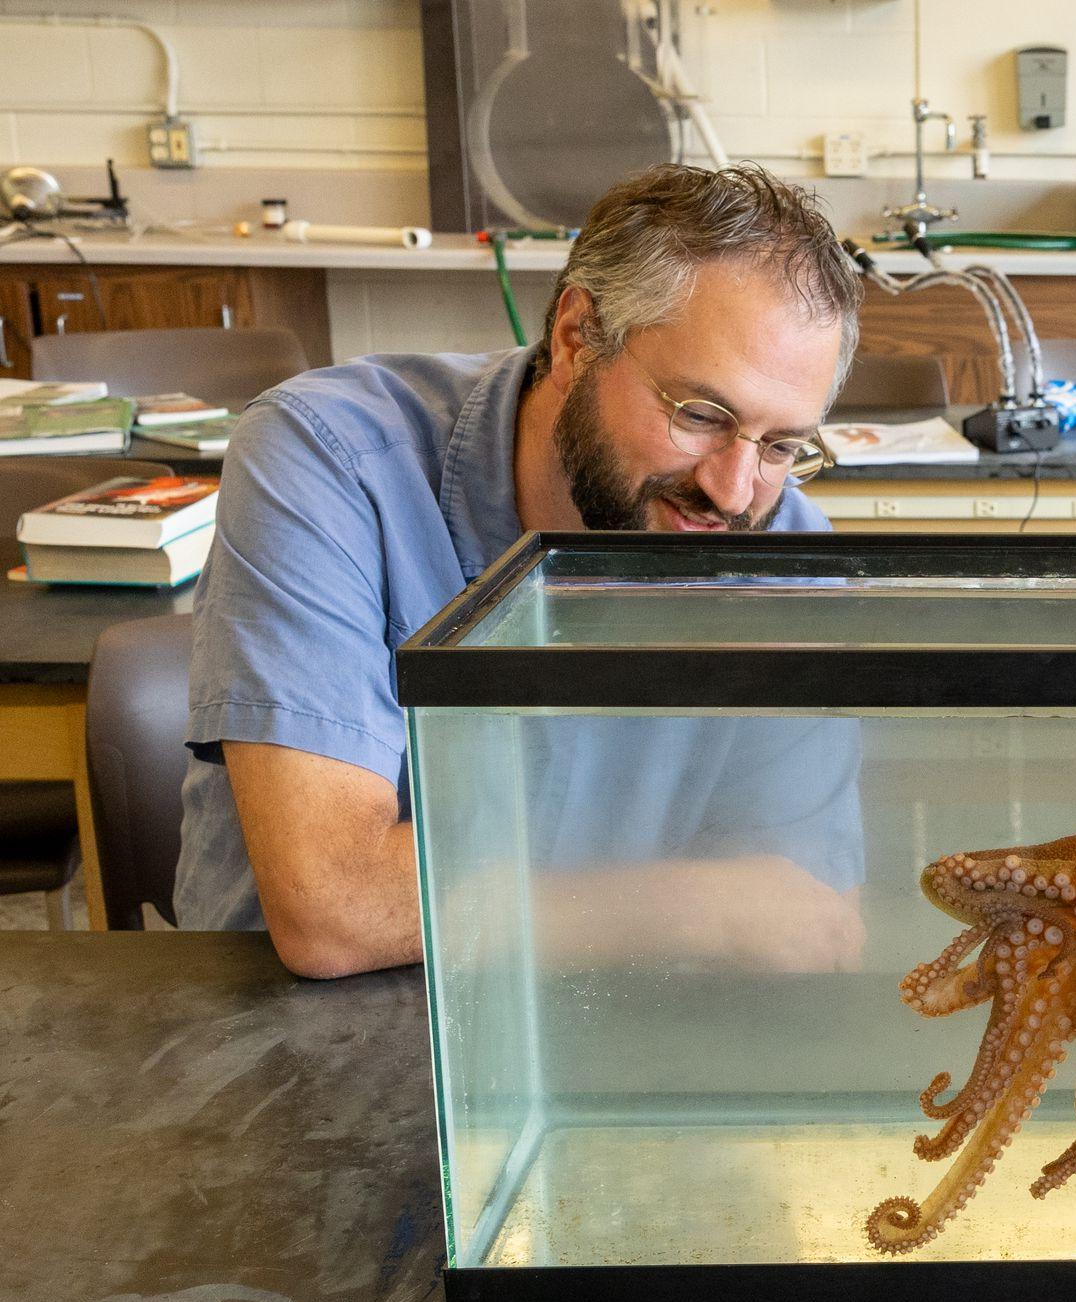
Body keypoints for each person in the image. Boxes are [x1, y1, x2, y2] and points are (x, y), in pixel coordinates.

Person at [175, 163, 869, 977]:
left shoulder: (784, 545)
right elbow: (334, 909)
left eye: (783, 444)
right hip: (306, 1048)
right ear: (577, 336)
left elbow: (808, 916)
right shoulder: (329, 460)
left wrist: (722, 914)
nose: (734, 488)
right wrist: (692, 903)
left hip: (616, 1029)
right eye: (701, 415)